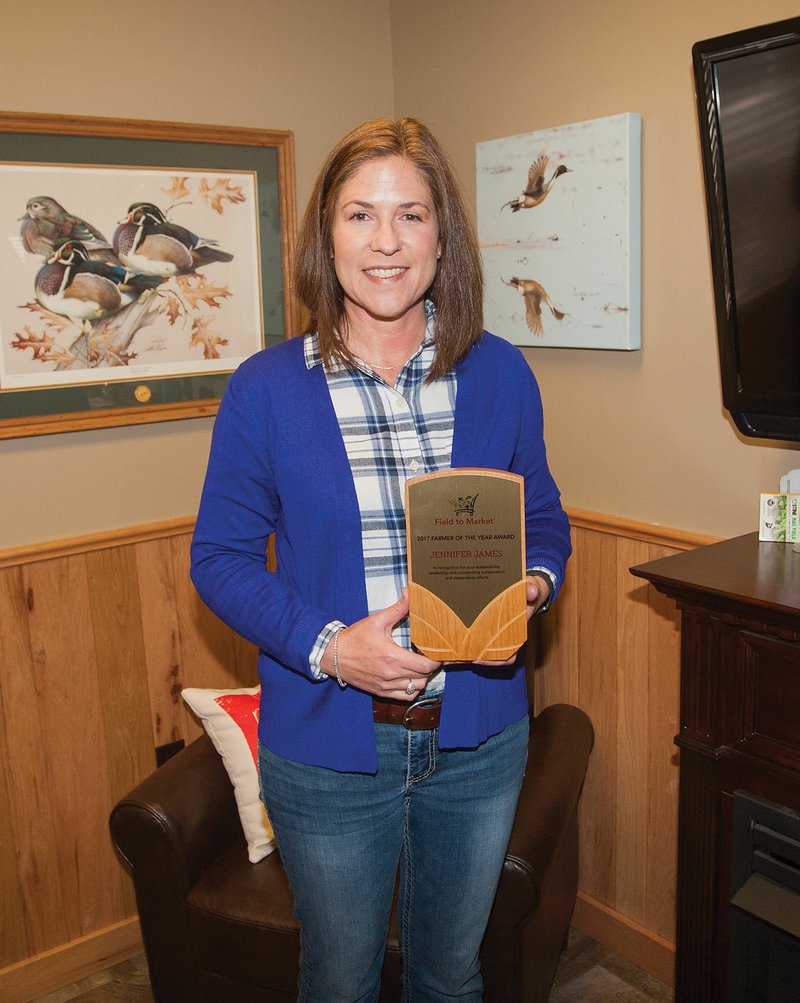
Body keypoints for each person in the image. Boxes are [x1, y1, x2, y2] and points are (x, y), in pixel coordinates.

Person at [191, 117, 571, 1003]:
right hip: (328, 751)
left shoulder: (501, 372)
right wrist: (331, 645)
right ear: (329, 235)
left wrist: (533, 584)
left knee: (452, 975)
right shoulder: (266, 388)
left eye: (412, 214)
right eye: (361, 215)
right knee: (339, 981)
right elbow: (221, 558)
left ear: (444, 236)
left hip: (478, 741)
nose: (388, 241)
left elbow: (542, 516)